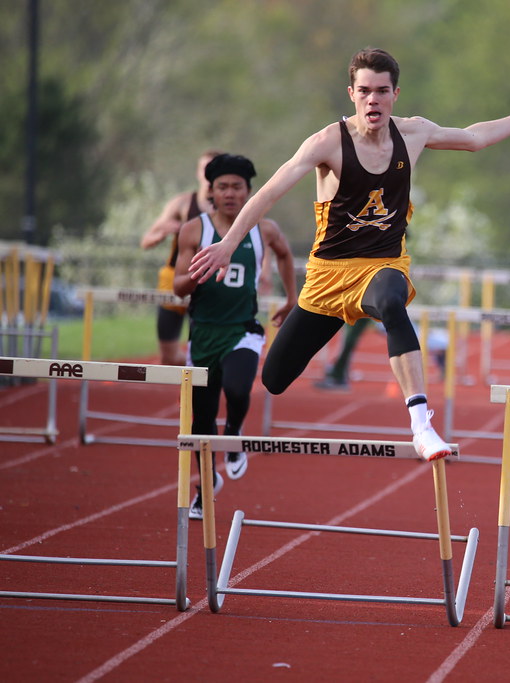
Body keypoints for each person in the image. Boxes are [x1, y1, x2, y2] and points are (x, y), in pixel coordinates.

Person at [188, 48, 510, 461]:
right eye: (364, 91)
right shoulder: (328, 142)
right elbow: (270, 192)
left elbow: (474, 139)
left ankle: (421, 424)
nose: (373, 100)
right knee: (274, 378)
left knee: (391, 301)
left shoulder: (413, 133)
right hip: (328, 277)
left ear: (395, 94)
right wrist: (228, 243)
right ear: (351, 93)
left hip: (383, 265)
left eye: (382, 91)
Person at [174, 153, 297, 519]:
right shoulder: (194, 230)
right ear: (211, 191)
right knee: (201, 420)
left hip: (243, 330)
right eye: (222, 187)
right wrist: (201, 270)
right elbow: (178, 288)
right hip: (203, 334)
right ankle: (206, 485)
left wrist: (292, 298)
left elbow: (285, 255)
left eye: (237, 187)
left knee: (238, 388)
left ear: (249, 191)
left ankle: (234, 433)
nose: (229, 194)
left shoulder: (263, 229)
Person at [141, 149, 223, 365]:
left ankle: (201, 371)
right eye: (205, 169)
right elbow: (146, 240)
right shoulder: (182, 204)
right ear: (198, 172)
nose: (208, 174)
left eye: (214, 168)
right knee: (168, 358)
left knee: (207, 353)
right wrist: (162, 233)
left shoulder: (230, 209)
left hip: (210, 281)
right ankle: (191, 368)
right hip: (174, 278)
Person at [315, 317, 372, 390]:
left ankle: (339, 377)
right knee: (346, 343)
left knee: (348, 343)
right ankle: (338, 374)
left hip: (357, 316)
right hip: (354, 315)